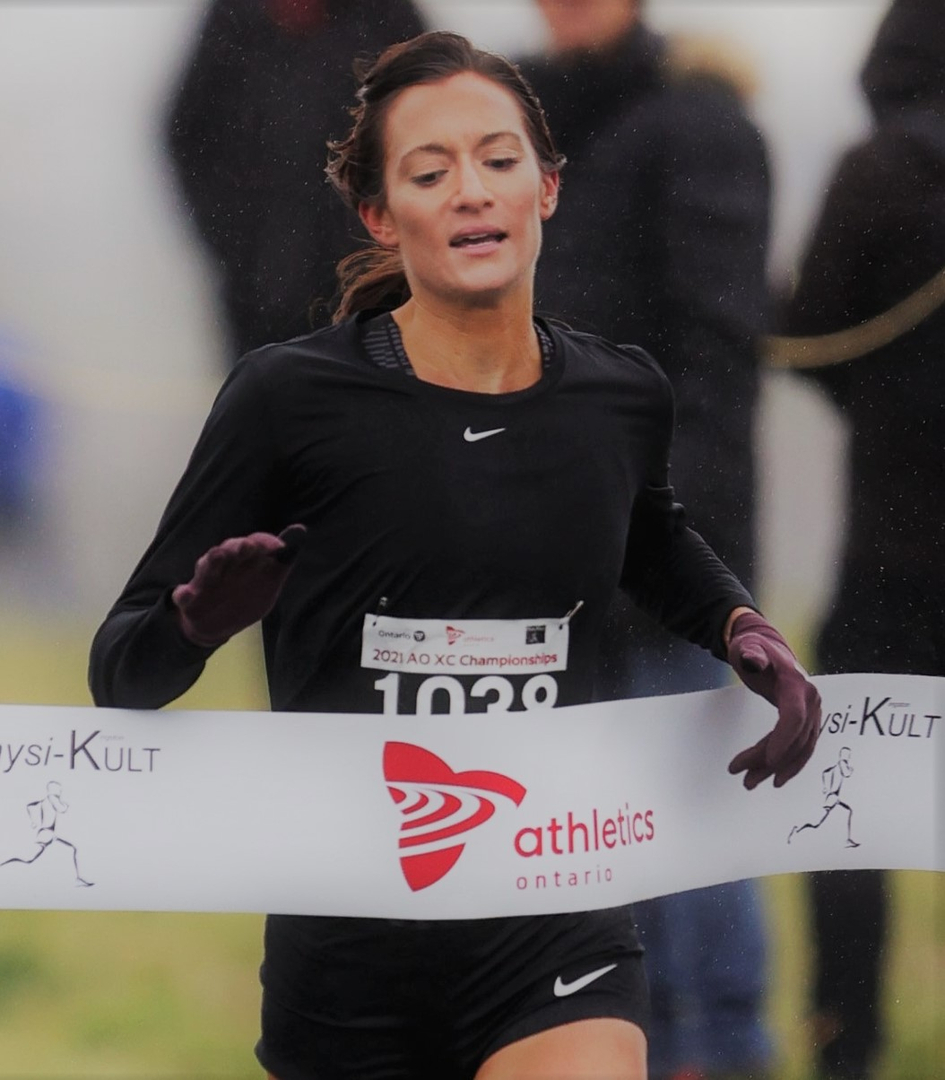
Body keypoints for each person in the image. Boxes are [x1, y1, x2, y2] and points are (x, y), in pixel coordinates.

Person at [90, 31, 821, 1080]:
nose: (471, 190)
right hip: (348, 951)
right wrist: (196, 621)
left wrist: (740, 625)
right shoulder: (287, 398)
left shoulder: (618, 394)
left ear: (547, 188)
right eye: (429, 173)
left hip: (556, 922)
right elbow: (121, 674)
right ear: (381, 217)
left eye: (498, 159)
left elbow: (650, 535)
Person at [519, 3, 773, 1077]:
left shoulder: (696, 121)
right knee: (591, 841)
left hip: (671, 561)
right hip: (550, 554)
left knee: (692, 827)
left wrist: (663, 545)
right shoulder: (527, 125)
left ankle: (720, 1053)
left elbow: (719, 358)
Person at [775, 2, 944, 1076]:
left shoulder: (878, 171)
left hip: (891, 553)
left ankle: (847, 1037)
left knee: (846, 806)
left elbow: (811, 338)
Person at [164, 0, 426, 363]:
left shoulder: (384, 16)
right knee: (266, 393)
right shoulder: (233, 20)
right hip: (261, 294)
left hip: (374, 287)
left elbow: (434, 124)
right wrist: (234, 243)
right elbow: (187, 134)